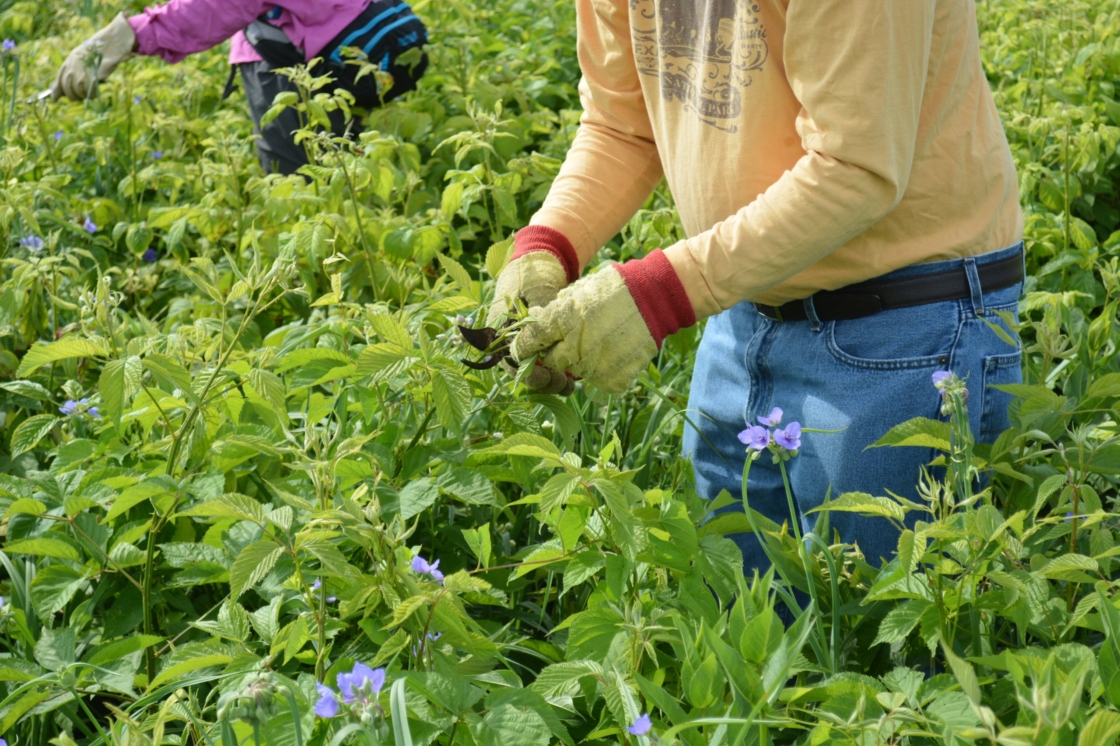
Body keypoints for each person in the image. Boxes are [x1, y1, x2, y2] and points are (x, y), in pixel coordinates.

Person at [490, 0, 1025, 572]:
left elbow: (855, 165)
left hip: (906, 325)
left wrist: (659, 294)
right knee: (739, 625)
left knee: (874, 637)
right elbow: (622, 124)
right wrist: (548, 246)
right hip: (744, 308)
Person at [50, 0, 428, 175]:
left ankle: (322, 289)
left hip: (295, 60)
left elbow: (218, 6)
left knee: (296, 176)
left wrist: (129, 35)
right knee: (347, 154)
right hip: (364, 44)